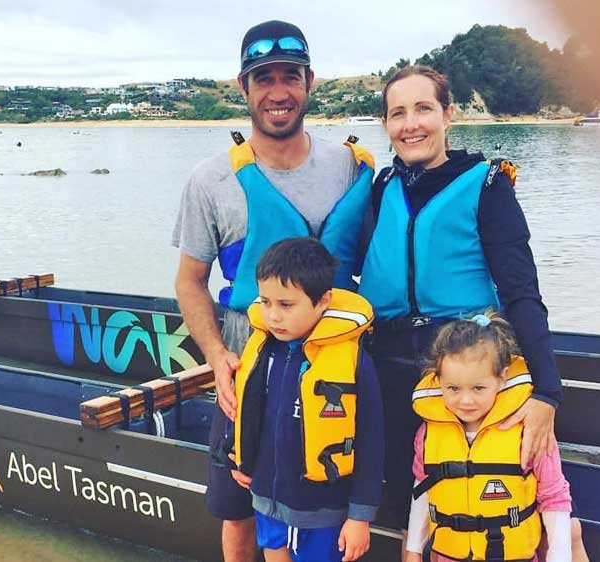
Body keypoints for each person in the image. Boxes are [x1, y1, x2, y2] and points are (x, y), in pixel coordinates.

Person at [172, 20, 374, 562]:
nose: (278, 92)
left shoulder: (350, 169)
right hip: (247, 377)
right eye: (263, 79)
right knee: (239, 514)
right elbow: (189, 281)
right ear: (244, 88)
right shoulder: (209, 180)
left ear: (310, 82)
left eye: (291, 76)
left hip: (335, 384)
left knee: (330, 520)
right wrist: (216, 356)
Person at [358, 64, 573, 557]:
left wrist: (547, 392)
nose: (411, 124)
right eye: (398, 113)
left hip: (467, 369)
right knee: (402, 493)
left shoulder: (487, 185)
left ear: (448, 114)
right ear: (386, 124)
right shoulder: (380, 187)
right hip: (389, 367)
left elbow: (522, 292)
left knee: (494, 490)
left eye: (423, 109)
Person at [227, 237, 384, 562]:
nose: (273, 316)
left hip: (320, 508)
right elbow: (250, 412)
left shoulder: (354, 362)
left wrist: (359, 516)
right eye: (266, 302)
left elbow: (371, 442)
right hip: (265, 496)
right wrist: (240, 457)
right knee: (273, 552)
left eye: (286, 305)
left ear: (323, 300)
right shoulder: (262, 349)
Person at [405, 312, 572, 562]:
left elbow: (554, 497)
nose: (465, 400)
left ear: (501, 377)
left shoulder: (531, 430)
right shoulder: (428, 433)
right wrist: (413, 550)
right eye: (453, 388)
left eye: (478, 388)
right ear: (437, 381)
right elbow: (423, 488)